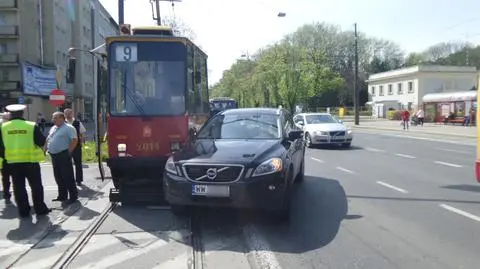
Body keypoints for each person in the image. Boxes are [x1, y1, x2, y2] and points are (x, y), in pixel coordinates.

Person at [0, 104, 50, 218]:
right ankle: (40, 209)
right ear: (22, 113)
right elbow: (41, 142)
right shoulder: (31, 126)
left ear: (11, 114)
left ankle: (24, 211)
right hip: (31, 161)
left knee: (18, 187)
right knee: (36, 186)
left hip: (12, 162)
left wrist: (6, 156)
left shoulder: (3, 127)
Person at [45, 111, 78, 204]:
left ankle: (73, 196)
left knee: (68, 176)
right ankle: (62, 196)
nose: (53, 120)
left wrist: (68, 152)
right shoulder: (53, 127)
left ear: (62, 118)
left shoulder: (69, 128)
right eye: (53, 118)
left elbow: (75, 140)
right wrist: (45, 146)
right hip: (54, 155)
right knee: (58, 176)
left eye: (55, 118)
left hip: (63, 154)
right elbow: (49, 137)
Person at [64, 108, 86, 186]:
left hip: (76, 146)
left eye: (69, 113)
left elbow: (83, 132)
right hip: (65, 147)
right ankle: (69, 179)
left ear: (72, 114)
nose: (67, 115)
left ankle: (79, 180)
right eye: (66, 113)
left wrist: (82, 141)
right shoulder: (63, 123)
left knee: (78, 163)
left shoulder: (77, 123)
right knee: (66, 164)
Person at [0, 112, 11, 201]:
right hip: (10, 155)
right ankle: (7, 193)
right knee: (8, 176)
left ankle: (6, 193)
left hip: (4, 155)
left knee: (5, 176)